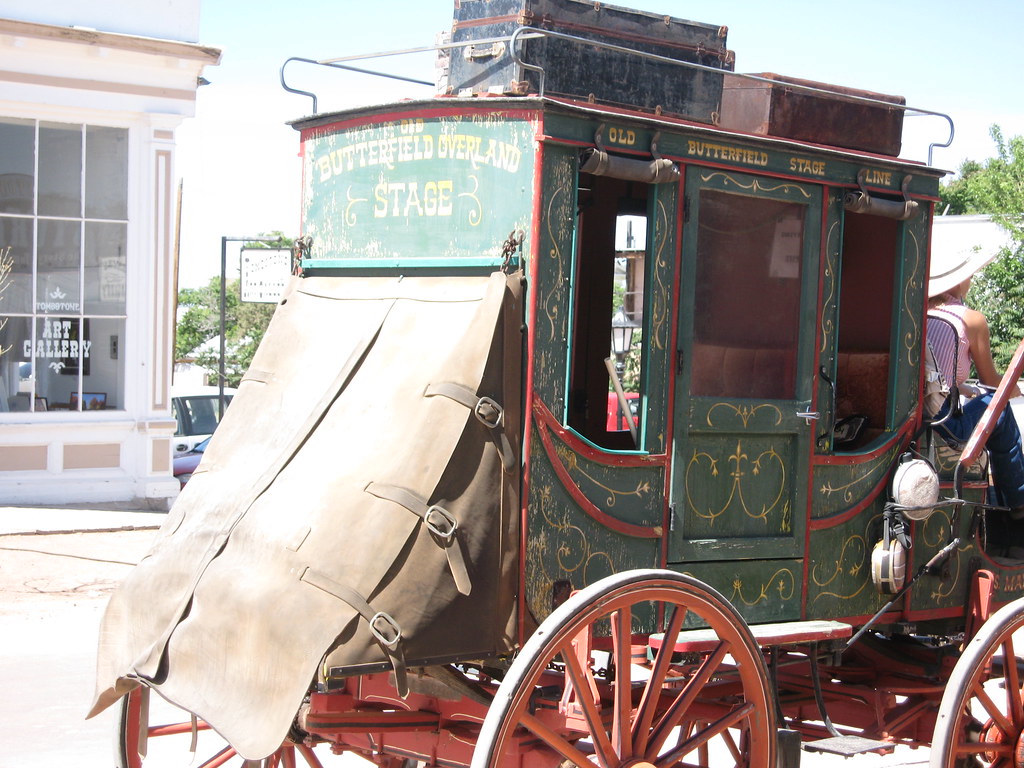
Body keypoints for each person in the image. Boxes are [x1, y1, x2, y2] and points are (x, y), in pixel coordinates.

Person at [926, 245, 1024, 520]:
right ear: (958, 281)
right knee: (1000, 408)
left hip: (922, 413)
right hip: (945, 421)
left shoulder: (919, 314)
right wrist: (1011, 389)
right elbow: (990, 379)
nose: (971, 281)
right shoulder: (971, 319)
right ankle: (1018, 499)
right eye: (969, 276)